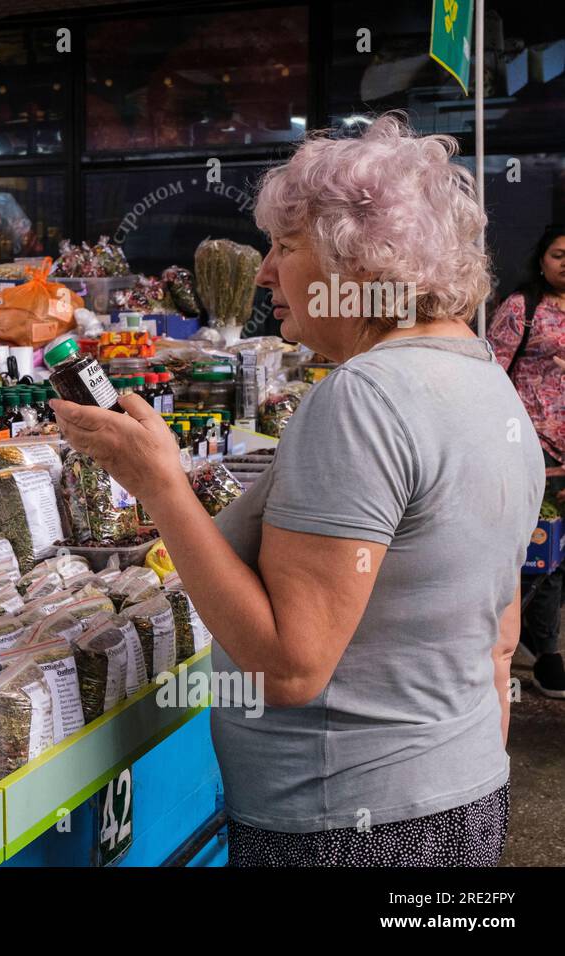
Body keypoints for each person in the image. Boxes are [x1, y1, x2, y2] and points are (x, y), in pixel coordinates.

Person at [50, 115, 543, 866]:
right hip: (457, 798)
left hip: (347, 828)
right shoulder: (485, 381)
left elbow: (287, 668)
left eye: (285, 246)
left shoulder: (365, 397)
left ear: (360, 262)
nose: (264, 272)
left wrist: (158, 485)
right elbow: (498, 637)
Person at [488, 224, 565, 698]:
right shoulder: (522, 308)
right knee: (540, 554)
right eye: (559, 254)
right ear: (541, 260)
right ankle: (544, 654)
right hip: (533, 448)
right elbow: (491, 371)